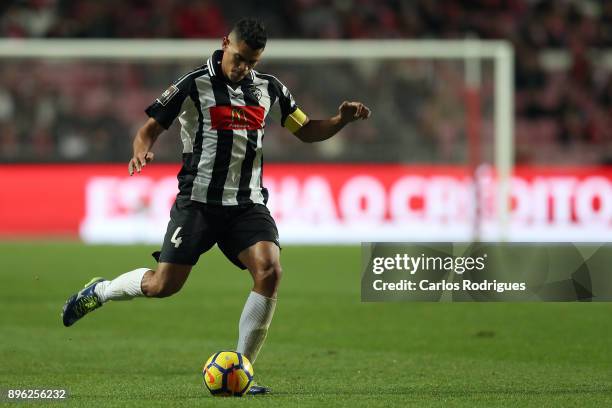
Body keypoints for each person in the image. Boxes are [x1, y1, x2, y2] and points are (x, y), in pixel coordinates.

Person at [61, 17, 371, 395]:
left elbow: (305, 130)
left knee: (270, 271)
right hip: (198, 204)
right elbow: (149, 128)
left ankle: (243, 371)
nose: (244, 68)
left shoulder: (269, 89)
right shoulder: (194, 85)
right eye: (239, 58)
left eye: (253, 62)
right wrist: (141, 149)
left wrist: (340, 120)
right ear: (226, 43)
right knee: (163, 285)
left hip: (247, 204)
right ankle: (101, 291)